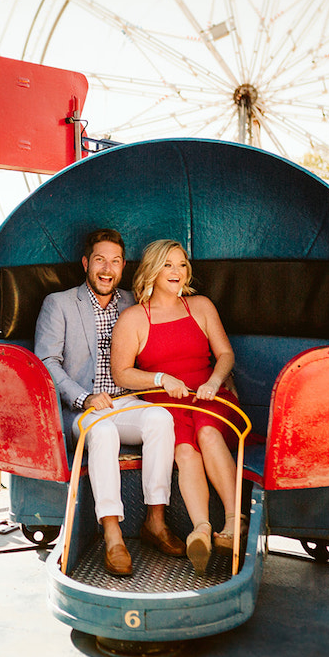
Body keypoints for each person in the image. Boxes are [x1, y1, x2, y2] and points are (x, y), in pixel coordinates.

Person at [35, 228, 179, 577]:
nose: (107, 268)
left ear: (123, 266)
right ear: (86, 263)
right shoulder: (60, 303)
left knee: (160, 418)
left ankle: (155, 521)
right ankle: (113, 532)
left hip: (126, 402)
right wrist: (83, 398)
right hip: (83, 410)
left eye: (115, 261)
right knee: (102, 434)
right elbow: (46, 362)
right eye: (100, 259)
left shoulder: (133, 303)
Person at [111, 239, 240, 575]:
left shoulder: (200, 306)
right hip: (165, 403)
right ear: (153, 270)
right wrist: (160, 379)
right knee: (184, 452)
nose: (177, 272)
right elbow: (121, 372)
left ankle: (231, 522)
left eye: (182, 265)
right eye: (168, 264)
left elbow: (225, 354)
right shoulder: (134, 318)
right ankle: (201, 529)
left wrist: (214, 381)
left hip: (209, 395)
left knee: (209, 434)